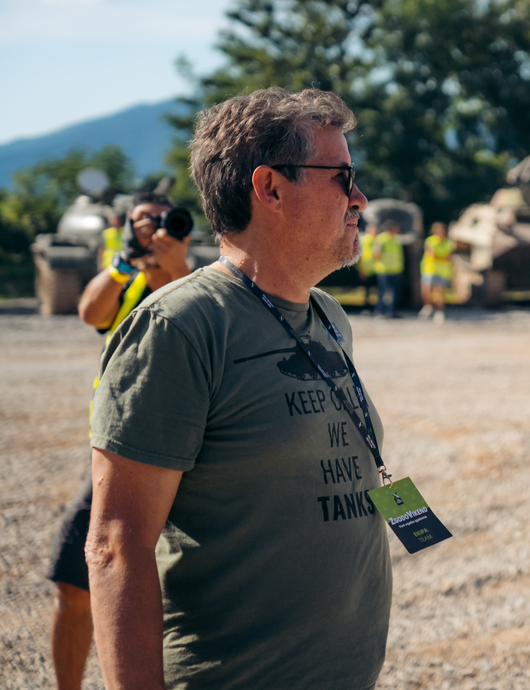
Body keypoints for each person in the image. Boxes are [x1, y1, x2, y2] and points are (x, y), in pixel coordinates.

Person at [85, 87, 393, 690]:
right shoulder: (178, 326)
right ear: (270, 188)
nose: (359, 198)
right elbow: (117, 546)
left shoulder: (328, 314)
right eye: (342, 177)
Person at [46, 192, 191, 690]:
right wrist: (125, 262)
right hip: (120, 452)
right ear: (126, 227)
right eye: (143, 221)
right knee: (74, 579)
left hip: (188, 456)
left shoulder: (198, 281)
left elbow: (190, 305)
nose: (155, 229)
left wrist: (173, 265)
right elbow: (90, 312)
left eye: (164, 220)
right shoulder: (124, 278)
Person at [418, 221, 454, 323]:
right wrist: (442, 257)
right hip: (429, 269)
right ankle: (428, 306)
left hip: (442, 271)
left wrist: (439, 257)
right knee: (426, 290)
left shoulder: (448, 243)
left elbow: (448, 257)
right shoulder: (430, 241)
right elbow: (432, 255)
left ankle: (439, 311)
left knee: (440, 292)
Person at [371, 218, 404, 317]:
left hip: (396, 269)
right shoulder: (381, 239)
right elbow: (376, 254)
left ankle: (392, 311)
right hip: (384, 269)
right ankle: (380, 311)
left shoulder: (396, 239)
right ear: (391, 228)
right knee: (383, 291)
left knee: (395, 292)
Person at [357, 219, 378, 311]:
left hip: (377, 269)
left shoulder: (377, 240)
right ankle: (366, 307)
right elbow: (360, 256)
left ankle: (375, 307)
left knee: (376, 290)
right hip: (366, 269)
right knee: (366, 290)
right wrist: (361, 269)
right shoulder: (364, 240)